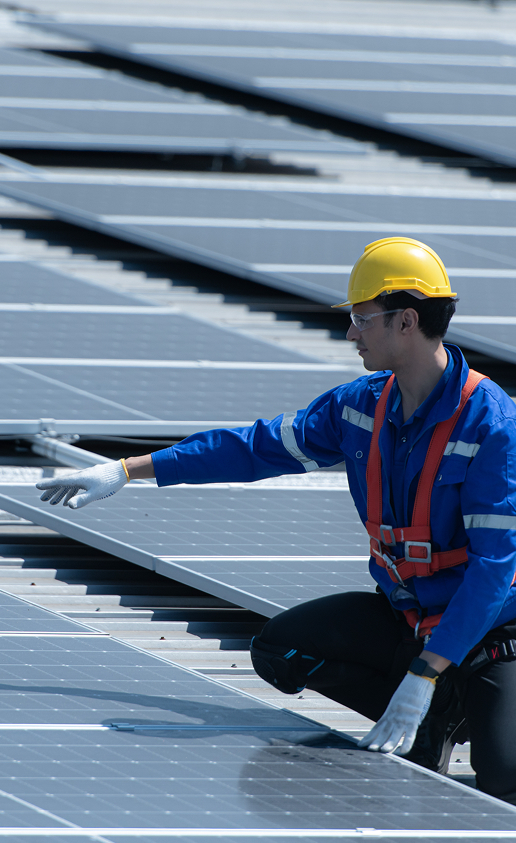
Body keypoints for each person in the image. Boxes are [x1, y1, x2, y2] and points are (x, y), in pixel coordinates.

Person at [36, 236, 516, 804]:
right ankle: (434, 718)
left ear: (406, 320)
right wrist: (127, 470)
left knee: (504, 780)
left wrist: (423, 674)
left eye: (362, 319)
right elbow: (252, 447)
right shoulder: (357, 407)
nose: (351, 333)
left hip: (490, 632)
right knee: (281, 649)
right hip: (407, 618)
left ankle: (436, 693)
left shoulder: (492, 426)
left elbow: (492, 573)